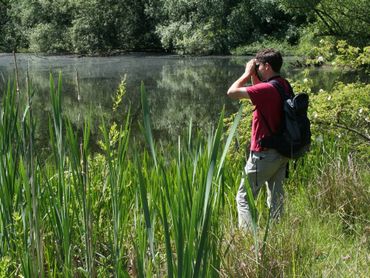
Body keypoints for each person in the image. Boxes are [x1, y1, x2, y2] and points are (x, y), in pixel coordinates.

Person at [227, 48, 292, 229]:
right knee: (276, 197)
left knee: (244, 197)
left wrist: (247, 74)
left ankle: (248, 239)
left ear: (267, 66)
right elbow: (259, 96)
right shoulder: (283, 85)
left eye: (259, 65)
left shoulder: (266, 89)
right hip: (281, 152)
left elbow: (231, 92)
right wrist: (255, 75)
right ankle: (277, 234)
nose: (257, 68)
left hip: (264, 154)